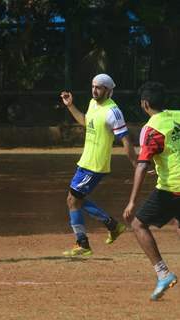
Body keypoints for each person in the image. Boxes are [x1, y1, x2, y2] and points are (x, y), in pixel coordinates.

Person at [60, 73, 137, 257]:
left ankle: (83, 244)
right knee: (74, 199)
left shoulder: (113, 112)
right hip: (85, 161)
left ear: (108, 90)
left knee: (73, 199)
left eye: (99, 87)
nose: (95, 90)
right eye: (93, 86)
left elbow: (125, 139)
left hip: (96, 165)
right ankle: (112, 225)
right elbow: (87, 123)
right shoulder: (93, 103)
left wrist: (136, 163)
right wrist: (70, 106)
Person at [123, 81, 180, 300]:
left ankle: (163, 273)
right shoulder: (176, 116)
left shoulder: (151, 129)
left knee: (138, 224)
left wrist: (131, 201)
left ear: (145, 104)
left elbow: (141, 165)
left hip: (172, 188)